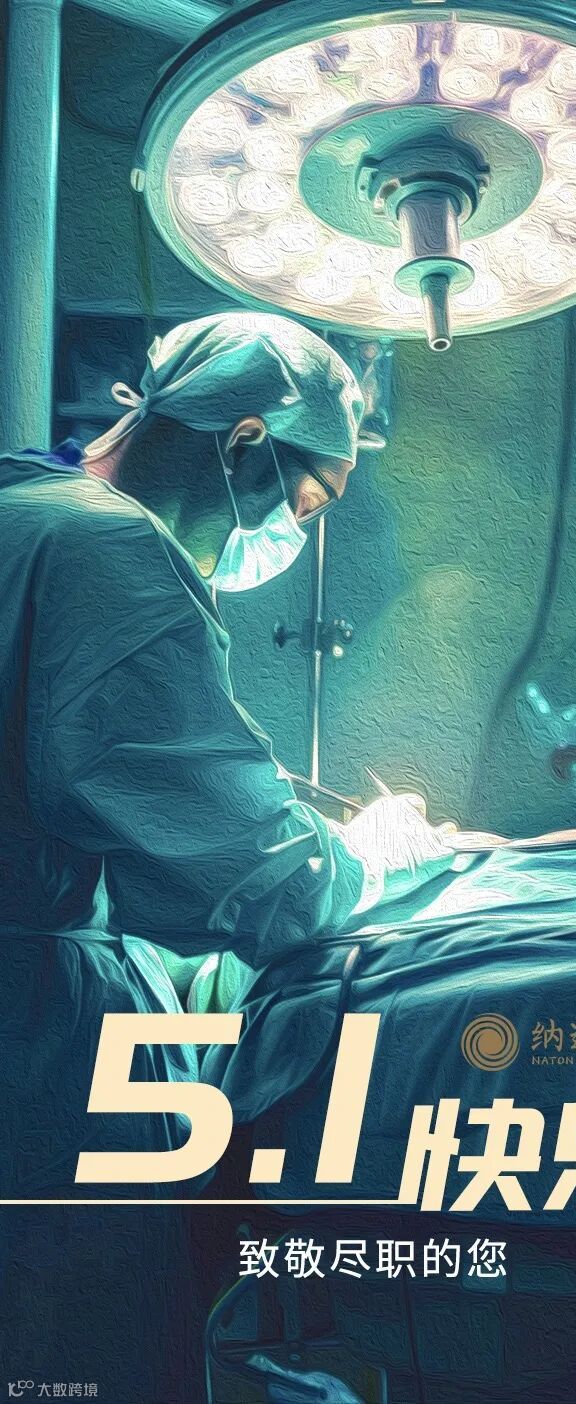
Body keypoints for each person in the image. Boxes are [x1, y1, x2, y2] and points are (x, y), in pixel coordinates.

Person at [0, 310, 455, 1200]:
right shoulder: (111, 553)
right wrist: (380, 851)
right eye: (308, 502)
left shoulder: (24, 507)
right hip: (32, 1052)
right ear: (245, 446)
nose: (296, 530)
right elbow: (263, 882)